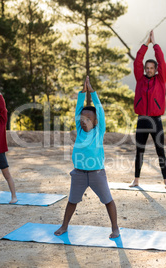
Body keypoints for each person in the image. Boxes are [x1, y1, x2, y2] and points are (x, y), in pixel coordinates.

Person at [54, 76, 119, 239]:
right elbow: (77, 110)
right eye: (82, 119)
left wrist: (93, 92)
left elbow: (100, 110)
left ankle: (115, 228)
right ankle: (64, 226)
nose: (84, 121)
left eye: (88, 119)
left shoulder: (99, 131)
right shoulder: (80, 130)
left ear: (96, 121)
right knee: (72, 201)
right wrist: (82, 94)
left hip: (97, 174)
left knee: (108, 201)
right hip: (79, 174)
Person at [129, 30, 166, 189]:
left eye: (152, 68)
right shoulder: (140, 78)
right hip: (142, 119)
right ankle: (136, 180)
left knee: (160, 150)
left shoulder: (161, 79)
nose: (149, 70)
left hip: (156, 120)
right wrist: (146, 44)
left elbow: (162, 61)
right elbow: (137, 61)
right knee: (139, 150)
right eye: (147, 67)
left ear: (156, 69)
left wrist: (155, 44)